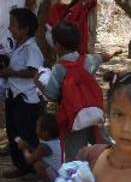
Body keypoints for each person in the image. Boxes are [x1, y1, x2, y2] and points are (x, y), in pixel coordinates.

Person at [0, 0, 60, 156]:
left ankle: (33, 143)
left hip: (20, 44)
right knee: (7, 91)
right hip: (2, 43)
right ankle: (13, 141)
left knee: (25, 92)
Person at [41, 21, 105, 161]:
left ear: (57, 45)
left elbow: (51, 94)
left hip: (72, 116)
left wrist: (38, 82)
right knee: (103, 146)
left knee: (74, 155)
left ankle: (74, 181)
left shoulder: (59, 68)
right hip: (93, 112)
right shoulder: (88, 60)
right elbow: (101, 58)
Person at [0, 7, 46, 180]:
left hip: (27, 98)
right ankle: (21, 166)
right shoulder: (17, 46)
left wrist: (10, 73)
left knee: (28, 134)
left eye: (14, 25)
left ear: (25, 29)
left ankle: (34, 169)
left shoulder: (32, 49)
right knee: (13, 132)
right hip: (13, 95)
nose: (10, 28)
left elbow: (33, 72)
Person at [16, 112, 62, 182]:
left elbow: (30, 160)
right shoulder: (57, 142)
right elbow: (39, 154)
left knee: (38, 164)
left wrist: (24, 149)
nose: (35, 130)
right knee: (40, 162)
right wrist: (28, 147)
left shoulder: (44, 146)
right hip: (61, 174)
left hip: (57, 177)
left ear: (45, 132)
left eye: (37, 127)